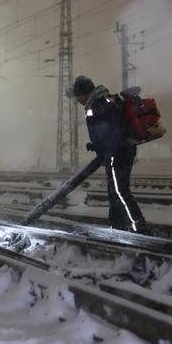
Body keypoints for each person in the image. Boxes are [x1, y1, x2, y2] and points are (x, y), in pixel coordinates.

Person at [70, 75, 147, 233]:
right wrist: (97, 146)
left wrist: (106, 150)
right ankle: (118, 226)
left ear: (83, 93)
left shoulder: (97, 105)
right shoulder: (104, 100)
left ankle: (138, 226)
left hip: (117, 152)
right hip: (121, 150)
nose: (77, 100)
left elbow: (110, 131)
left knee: (119, 191)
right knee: (114, 191)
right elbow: (108, 130)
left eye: (78, 96)